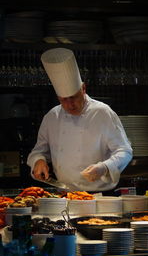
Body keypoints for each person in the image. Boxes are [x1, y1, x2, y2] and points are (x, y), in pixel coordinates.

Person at [27, 48, 133, 192]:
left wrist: (105, 167)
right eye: (64, 99)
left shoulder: (102, 112)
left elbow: (125, 151)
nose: (70, 104)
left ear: (83, 89)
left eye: (74, 97)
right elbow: (39, 151)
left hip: (100, 195)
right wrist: (38, 161)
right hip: (64, 194)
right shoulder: (52, 117)